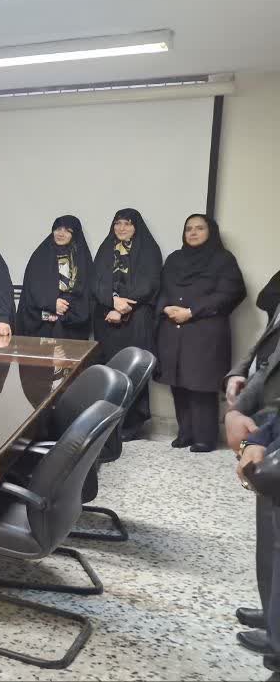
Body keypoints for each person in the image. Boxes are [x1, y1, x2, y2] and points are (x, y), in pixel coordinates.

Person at [157, 214, 245, 453]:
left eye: (199, 228)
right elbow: (161, 288)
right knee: (178, 383)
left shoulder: (223, 260)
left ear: (211, 232)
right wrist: (165, 308)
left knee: (201, 385)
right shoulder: (175, 259)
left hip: (205, 331)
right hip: (173, 330)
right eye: (188, 229)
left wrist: (191, 311)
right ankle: (185, 433)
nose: (193, 233)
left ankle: (205, 438)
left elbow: (231, 292)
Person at [226, 283, 280, 658]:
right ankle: (273, 613)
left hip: (273, 419)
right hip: (270, 420)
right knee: (270, 531)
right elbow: (269, 346)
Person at [93, 208, 163, 441]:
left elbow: (149, 283)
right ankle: (109, 423)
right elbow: (95, 282)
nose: (121, 228)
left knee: (133, 369)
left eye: (127, 224)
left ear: (136, 227)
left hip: (136, 319)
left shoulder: (148, 249)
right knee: (110, 371)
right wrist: (112, 301)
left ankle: (132, 424)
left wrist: (122, 307)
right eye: (118, 223)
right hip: (107, 321)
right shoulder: (106, 248)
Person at [16, 215, 93, 340]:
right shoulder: (40, 256)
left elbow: (86, 292)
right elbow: (32, 291)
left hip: (72, 325)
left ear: (75, 234)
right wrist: (52, 303)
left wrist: (65, 312)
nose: (61, 234)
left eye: (67, 231)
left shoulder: (82, 260)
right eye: (58, 229)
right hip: (42, 324)